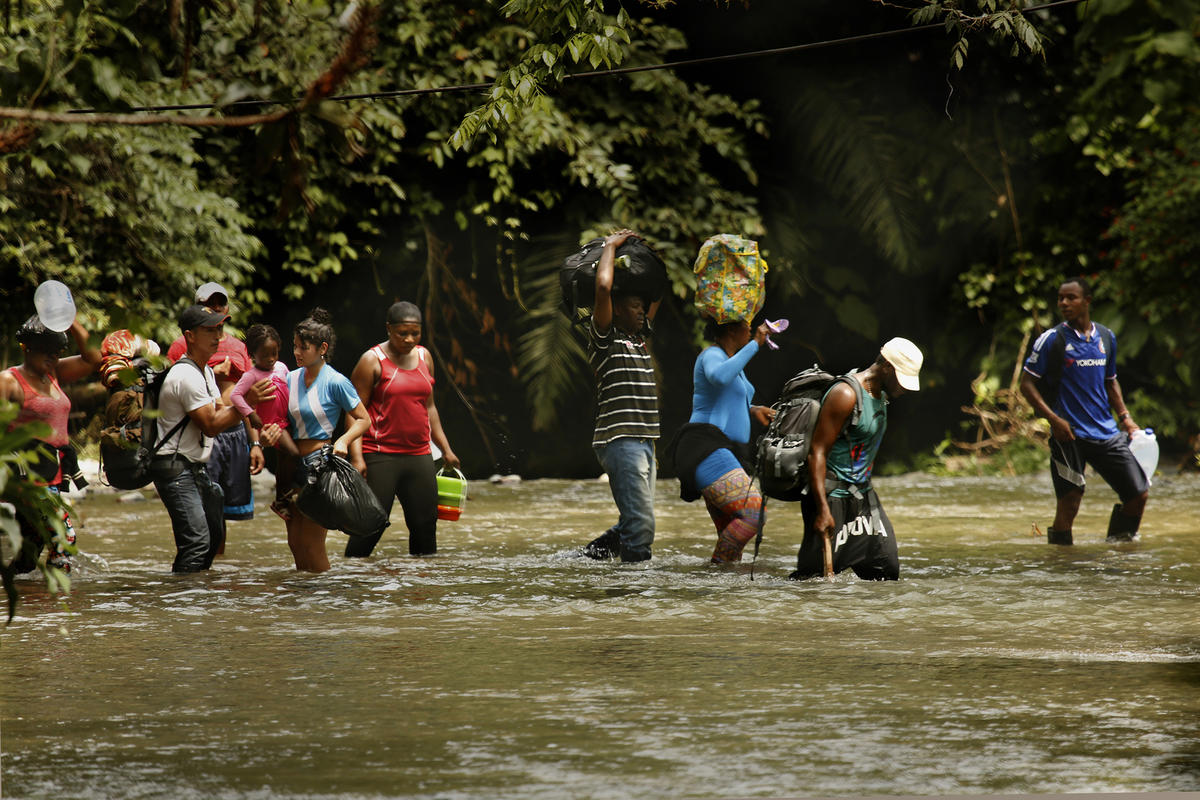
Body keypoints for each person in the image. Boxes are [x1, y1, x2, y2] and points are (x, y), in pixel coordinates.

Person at [1019, 276, 1148, 544]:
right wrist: (1054, 420)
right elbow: (1027, 384)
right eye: (1060, 298)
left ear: (1087, 301)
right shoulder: (1051, 340)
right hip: (1069, 435)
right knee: (1070, 502)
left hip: (1106, 432)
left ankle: (1120, 552)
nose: (1064, 303)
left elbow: (1111, 381)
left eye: (1071, 298)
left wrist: (1126, 419)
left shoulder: (1106, 337)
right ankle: (1064, 569)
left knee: (1138, 494)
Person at [789, 337, 923, 581]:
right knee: (812, 582)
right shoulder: (845, 394)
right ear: (886, 367)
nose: (904, 388)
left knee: (885, 571)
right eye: (902, 379)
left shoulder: (880, 394)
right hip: (831, 498)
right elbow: (816, 452)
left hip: (863, 497)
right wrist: (822, 511)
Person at [152, 305, 268, 573]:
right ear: (190, 336)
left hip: (192, 466)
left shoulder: (203, 371)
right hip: (175, 467)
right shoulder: (185, 375)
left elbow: (220, 411)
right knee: (196, 542)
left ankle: (199, 599)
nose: (217, 336)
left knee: (213, 536)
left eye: (219, 329)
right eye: (209, 330)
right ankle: (183, 604)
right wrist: (246, 403)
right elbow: (212, 425)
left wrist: (253, 424)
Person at [346, 301, 460, 558]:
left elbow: (429, 407)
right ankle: (351, 580)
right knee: (371, 524)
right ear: (389, 329)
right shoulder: (372, 360)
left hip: (419, 454)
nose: (409, 339)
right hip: (380, 453)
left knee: (425, 526)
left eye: (415, 333)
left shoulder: (424, 357)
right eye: (402, 333)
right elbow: (354, 413)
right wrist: (357, 457)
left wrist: (446, 449)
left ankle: (421, 588)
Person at [260, 308, 370, 572]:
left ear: (322, 348)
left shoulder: (336, 381)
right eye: (295, 346)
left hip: (318, 465)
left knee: (312, 543)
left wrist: (343, 441)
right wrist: (265, 436)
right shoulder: (288, 378)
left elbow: (364, 419)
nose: (296, 353)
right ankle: (302, 605)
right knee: (295, 542)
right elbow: (277, 420)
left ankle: (326, 603)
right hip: (288, 464)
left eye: (303, 347)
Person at [579, 229, 661, 563]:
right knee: (642, 525)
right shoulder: (605, 339)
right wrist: (611, 247)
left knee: (634, 520)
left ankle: (590, 557)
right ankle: (634, 589)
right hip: (620, 439)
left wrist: (650, 258)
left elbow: (657, 294)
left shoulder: (639, 339)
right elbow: (603, 287)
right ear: (615, 307)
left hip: (645, 440)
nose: (642, 311)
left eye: (643, 307)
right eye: (634, 306)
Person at [668, 318, 776, 563]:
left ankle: (718, 587)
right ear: (730, 329)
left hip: (726, 451)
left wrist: (754, 409)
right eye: (747, 325)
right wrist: (756, 344)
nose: (751, 329)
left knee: (732, 537)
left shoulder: (732, 362)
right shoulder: (711, 355)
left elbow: (731, 398)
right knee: (754, 514)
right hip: (706, 447)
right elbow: (719, 378)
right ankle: (715, 571)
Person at [1, 317, 100, 573]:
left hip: (52, 472)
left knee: (29, 550)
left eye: (57, 352)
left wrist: (70, 319)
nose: (53, 357)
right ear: (27, 347)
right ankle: (60, 606)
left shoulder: (53, 373)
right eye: (47, 350)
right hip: (28, 476)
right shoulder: (9, 381)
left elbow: (92, 360)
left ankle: (24, 600)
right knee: (63, 539)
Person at [166, 282, 262, 535]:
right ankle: (204, 567)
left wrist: (255, 443)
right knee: (203, 517)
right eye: (210, 305)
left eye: (220, 304)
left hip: (234, 431)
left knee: (222, 514)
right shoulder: (181, 349)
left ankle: (214, 573)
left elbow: (246, 393)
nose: (216, 308)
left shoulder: (238, 347)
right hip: (201, 432)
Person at [231, 324, 299, 519]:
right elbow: (236, 396)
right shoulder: (250, 375)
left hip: (286, 421)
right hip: (271, 425)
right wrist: (250, 414)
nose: (271, 359)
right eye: (265, 355)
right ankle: (283, 497)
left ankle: (282, 498)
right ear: (252, 354)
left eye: (274, 353)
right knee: (293, 453)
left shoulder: (282, 367)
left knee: (285, 458)